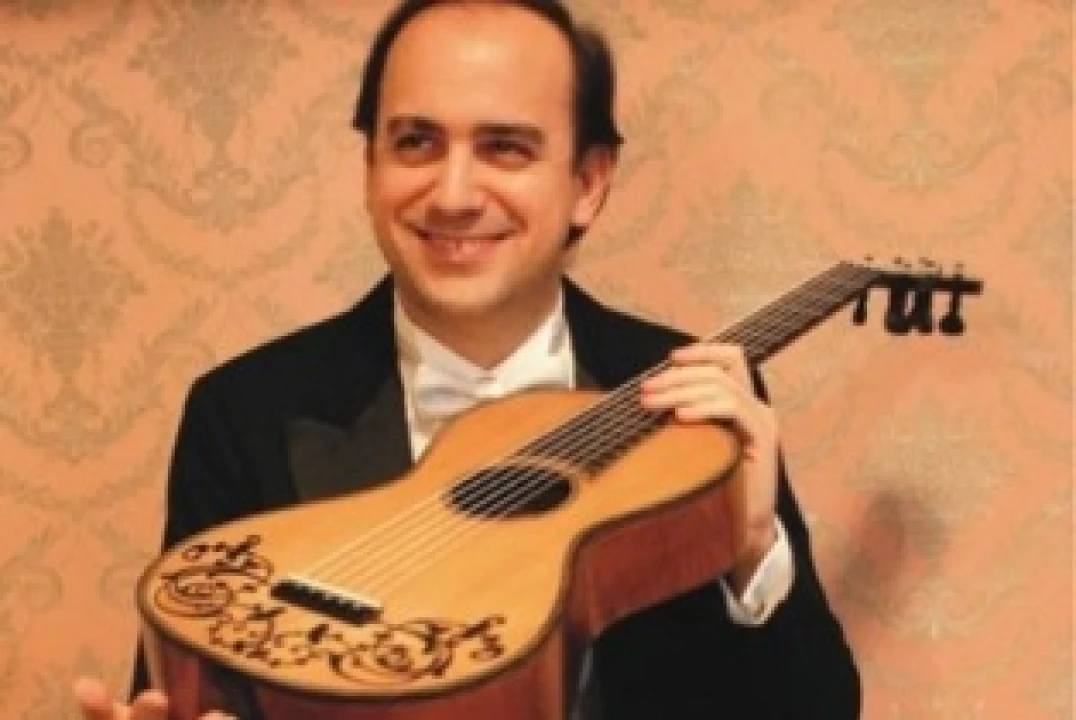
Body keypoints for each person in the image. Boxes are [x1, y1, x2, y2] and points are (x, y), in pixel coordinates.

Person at [73, 0, 860, 718]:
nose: (453, 194)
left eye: (505, 149)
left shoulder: (691, 396)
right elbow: (186, 684)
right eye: (416, 143)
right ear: (371, 168)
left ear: (588, 183)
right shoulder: (243, 411)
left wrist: (751, 550)